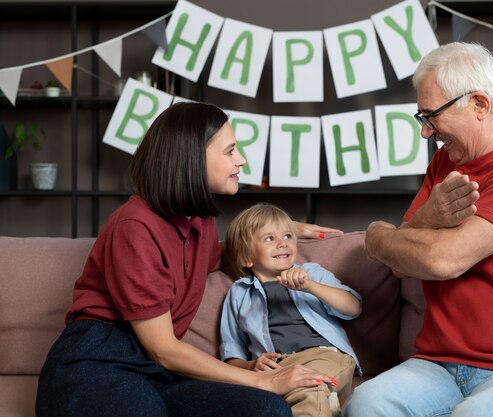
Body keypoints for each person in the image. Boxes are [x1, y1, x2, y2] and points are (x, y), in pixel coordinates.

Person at [35, 102, 343, 417]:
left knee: (266, 410)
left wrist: (281, 232)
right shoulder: (134, 226)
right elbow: (163, 349)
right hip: (97, 363)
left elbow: (210, 258)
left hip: (156, 373)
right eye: (230, 151)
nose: (241, 160)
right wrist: (266, 381)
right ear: (191, 157)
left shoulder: (198, 221)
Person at [344, 42, 493, 417]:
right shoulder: (445, 163)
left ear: (479, 105)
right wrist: (400, 231)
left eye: (431, 116)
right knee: (367, 403)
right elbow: (401, 266)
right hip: (440, 365)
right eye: (421, 118)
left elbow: (442, 261)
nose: (426, 133)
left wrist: (379, 235)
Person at [220, 202, 362, 417]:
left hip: (324, 356)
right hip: (278, 369)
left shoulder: (312, 273)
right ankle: (328, 404)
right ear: (246, 258)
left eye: (287, 236)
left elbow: (353, 308)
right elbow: (232, 354)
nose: (282, 243)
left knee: (309, 387)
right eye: (270, 238)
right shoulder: (239, 293)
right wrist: (251, 366)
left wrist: (311, 287)